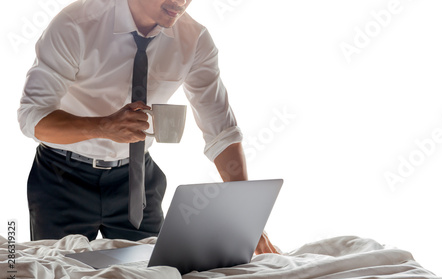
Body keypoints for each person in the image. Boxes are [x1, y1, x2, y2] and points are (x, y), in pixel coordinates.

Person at [18, 0, 278, 254]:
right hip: (62, 177)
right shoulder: (76, 23)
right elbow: (32, 116)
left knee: (156, 278)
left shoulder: (195, 39)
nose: (181, 2)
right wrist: (103, 127)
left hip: (137, 179)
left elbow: (221, 131)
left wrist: (247, 218)